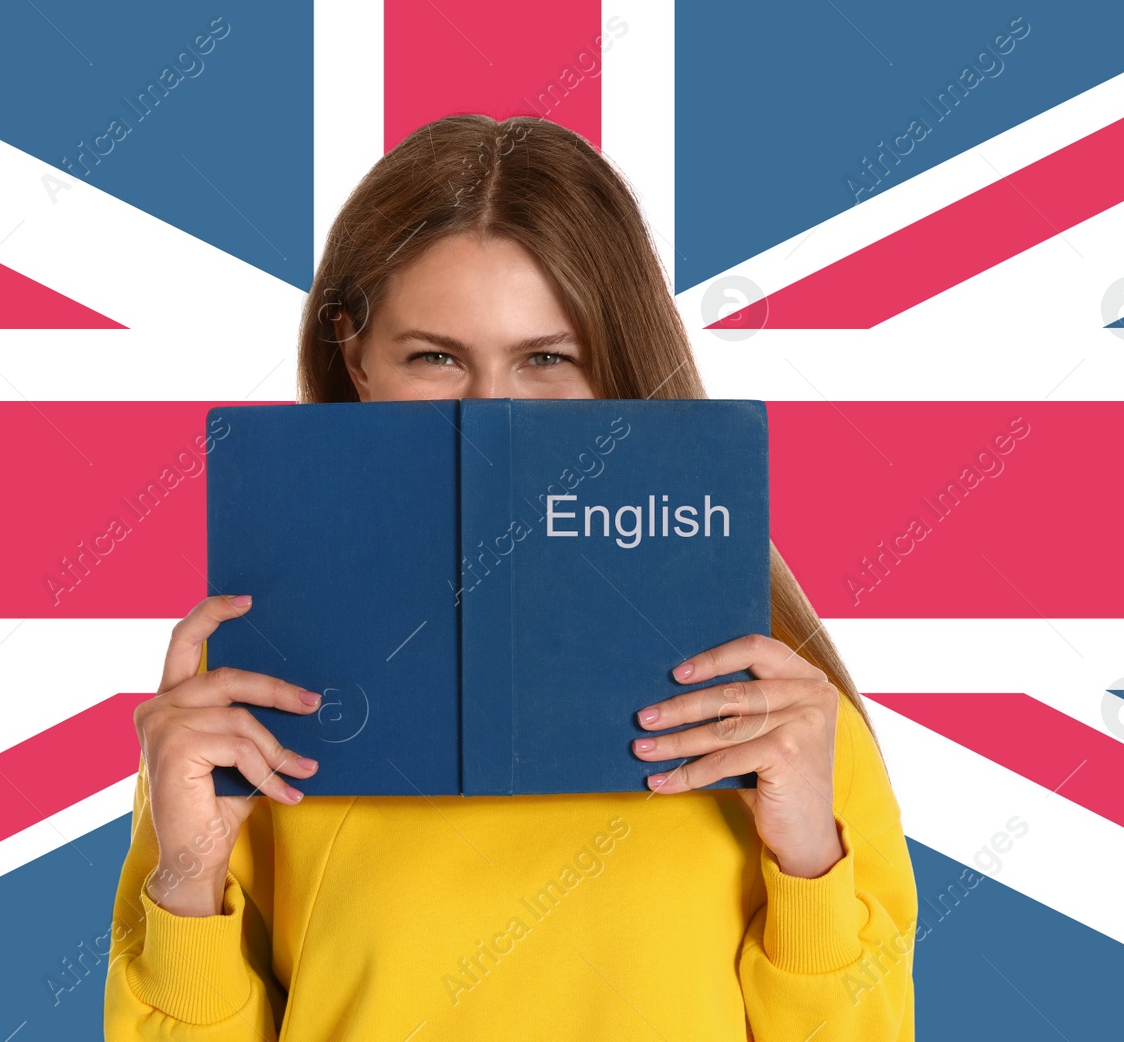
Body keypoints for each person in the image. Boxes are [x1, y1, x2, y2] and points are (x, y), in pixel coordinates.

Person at [105, 113, 916, 1040]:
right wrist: (187, 879)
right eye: (437, 357)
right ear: (355, 356)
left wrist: (810, 860)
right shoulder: (251, 695)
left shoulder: (778, 703)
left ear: (616, 363)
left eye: (546, 359)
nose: (493, 415)